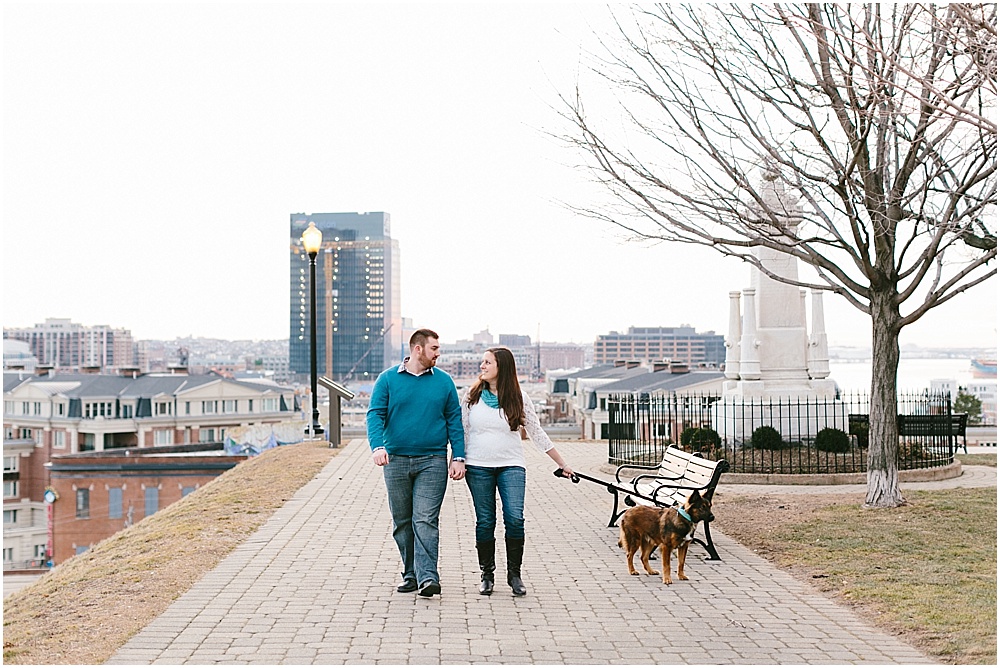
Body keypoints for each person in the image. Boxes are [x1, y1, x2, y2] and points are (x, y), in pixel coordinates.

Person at [461, 347, 574, 596]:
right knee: (486, 521)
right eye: (483, 362)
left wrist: (561, 463)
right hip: (478, 466)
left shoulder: (519, 397)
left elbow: (536, 432)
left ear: (502, 367)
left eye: (487, 362)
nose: (482, 366)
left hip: (511, 465)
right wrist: (456, 460)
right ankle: (487, 575)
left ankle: (514, 575)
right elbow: (463, 431)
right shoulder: (471, 395)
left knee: (514, 519)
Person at [367, 328, 466, 598]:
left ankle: (428, 577)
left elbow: (454, 421)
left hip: (432, 460)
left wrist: (458, 456)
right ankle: (410, 573)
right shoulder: (388, 379)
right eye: (434, 348)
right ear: (418, 349)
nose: (438, 353)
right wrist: (377, 447)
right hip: (395, 460)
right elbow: (374, 415)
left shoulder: (444, 382)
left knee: (425, 519)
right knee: (402, 521)